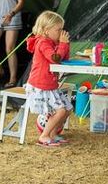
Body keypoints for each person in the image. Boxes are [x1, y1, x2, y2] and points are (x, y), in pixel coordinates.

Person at [25, 11, 73, 147]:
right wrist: (62, 45)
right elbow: (55, 59)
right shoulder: (43, 43)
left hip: (50, 85)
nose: (61, 32)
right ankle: (44, 136)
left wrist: (65, 44)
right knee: (61, 110)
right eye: (58, 30)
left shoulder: (51, 42)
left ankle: (52, 134)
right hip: (40, 86)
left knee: (67, 108)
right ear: (46, 30)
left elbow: (63, 58)